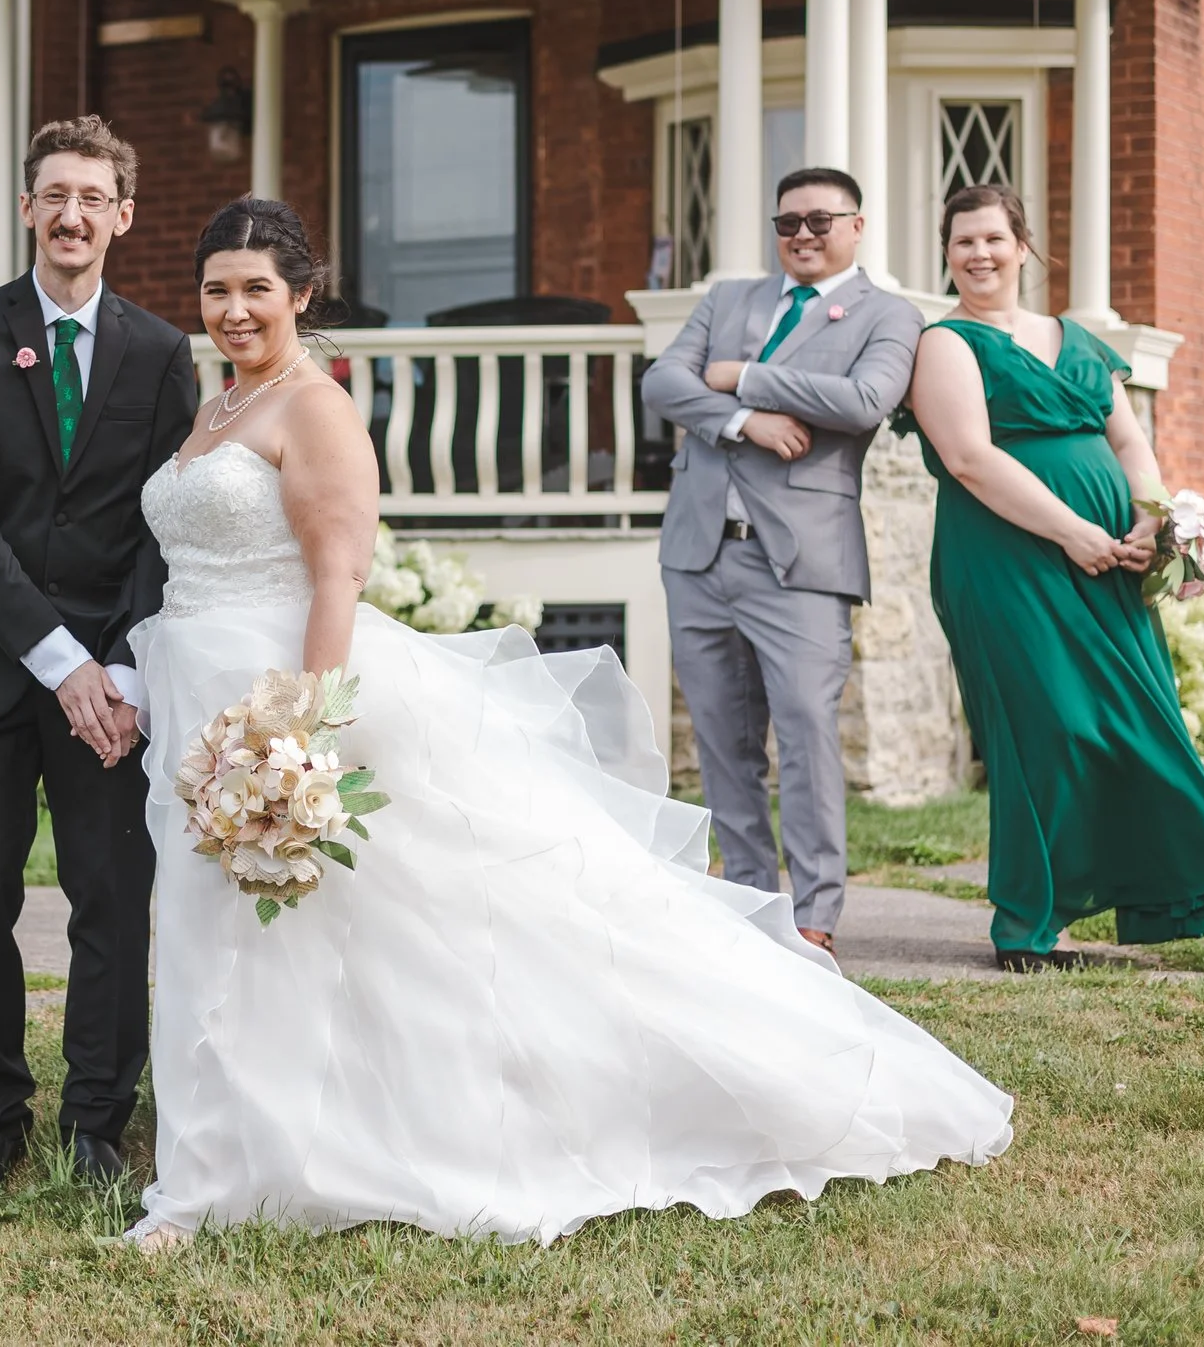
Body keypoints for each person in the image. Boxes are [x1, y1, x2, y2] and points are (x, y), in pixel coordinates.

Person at [120, 196, 1013, 1251]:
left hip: (284, 697)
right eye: (216, 289)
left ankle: (294, 1150)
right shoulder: (216, 406)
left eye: (255, 289)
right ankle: (234, 1149)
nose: (232, 309)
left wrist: (299, 737)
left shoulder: (310, 406)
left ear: (300, 295)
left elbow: (338, 574)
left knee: (366, 928)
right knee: (231, 925)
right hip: (196, 692)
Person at [0, 116, 198, 1198]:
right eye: (54, 195)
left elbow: (161, 522)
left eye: (94, 196)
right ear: (27, 208)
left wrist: (117, 670)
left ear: (122, 215)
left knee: (110, 896)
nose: (72, 214)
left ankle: (95, 1116)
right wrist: (57, 658)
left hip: (116, 681)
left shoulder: (161, 350)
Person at [904, 184, 1204, 971]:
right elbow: (969, 457)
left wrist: (1148, 518)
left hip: (1112, 557)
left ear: (1024, 246)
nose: (979, 253)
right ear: (946, 253)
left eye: (994, 239)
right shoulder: (945, 343)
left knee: (1137, 721)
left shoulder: (1076, 336)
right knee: (1049, 729)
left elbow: (1131, 442)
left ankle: (1169, 893)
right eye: (963, 241)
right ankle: (1029, 927)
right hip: (1006, 559)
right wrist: (1072, 531)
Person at [640, 167, 925, 953]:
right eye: (787, 221)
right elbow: (662, 381)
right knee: (722, 740)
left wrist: (745, 375)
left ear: (856, 225)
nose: (801, 234)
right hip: (698, 554)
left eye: (819, 220)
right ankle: (747, 900)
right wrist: (744, 420)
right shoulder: (728, 298)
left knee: (804, 732)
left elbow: (865, 400)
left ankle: (815, 915)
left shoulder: (889, 314)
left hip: (800, 562)